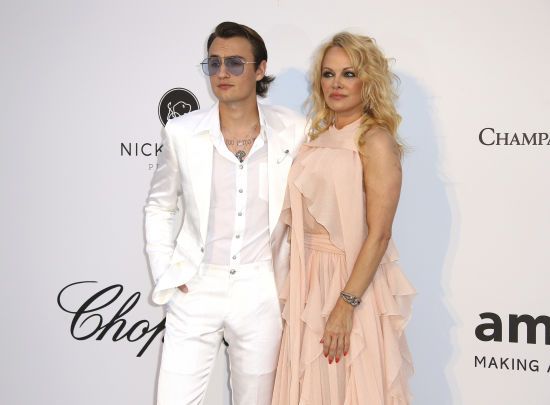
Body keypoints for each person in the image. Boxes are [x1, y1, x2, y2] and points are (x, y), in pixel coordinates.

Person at [144, 21, 306, 405]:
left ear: (260, 69)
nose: (222, 73)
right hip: (196, 284)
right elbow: (160, 205)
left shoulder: (295, 130)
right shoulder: (182, 133)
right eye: (213, 63)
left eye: (234, 63)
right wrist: (166, 270)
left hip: (262, 289)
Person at [271, 32, 416, 405]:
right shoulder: (317, 137)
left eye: (349, 74)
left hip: (350, 282)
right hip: (308, 279)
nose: (336, 84)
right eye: (328, 74)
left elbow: (380, 235)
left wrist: (345, 305)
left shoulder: (375, 140)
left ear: (368, 80)